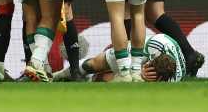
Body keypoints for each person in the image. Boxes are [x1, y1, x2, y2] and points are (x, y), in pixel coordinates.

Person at [53, 33, 186, 83]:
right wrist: (137, 71)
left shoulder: (173, 79)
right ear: (152, 60)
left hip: (151, 64)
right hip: (136, 52)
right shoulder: (153, 45)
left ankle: (90, 80)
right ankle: (57, 76)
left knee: (118, 82)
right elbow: (130, 48)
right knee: (93, 65)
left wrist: (142, 77)